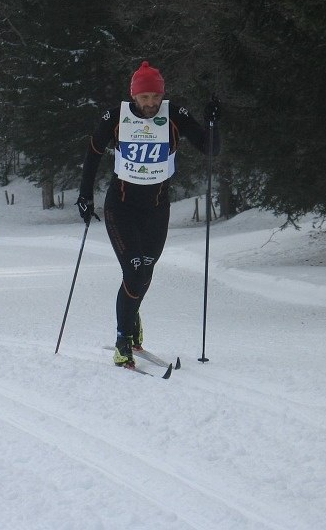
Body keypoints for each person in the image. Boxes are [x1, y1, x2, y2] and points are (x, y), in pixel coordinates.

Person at [77, 61, 221, 369]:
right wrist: (85, 195)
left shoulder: (174, 115)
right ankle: (123, 341)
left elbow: (209, 148)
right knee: (134, 272)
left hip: (156, 210)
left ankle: (132, 318)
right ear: (134, 95)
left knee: (145, 273)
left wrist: (213, 123)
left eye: (156, 96)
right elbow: (93, 151)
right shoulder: (117, 117)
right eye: (144, 97)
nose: (151, 103)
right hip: (121, 208)